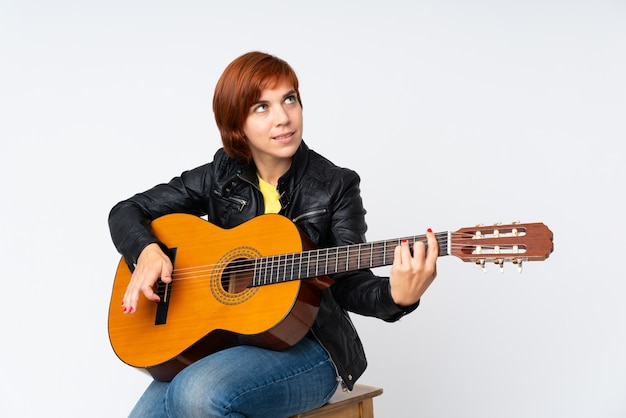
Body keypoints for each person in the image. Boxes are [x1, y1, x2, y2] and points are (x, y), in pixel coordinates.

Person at [108, 51, 438, 418]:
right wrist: (148, 252)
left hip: (312, 348)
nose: (283, 117)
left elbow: (347, 283)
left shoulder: (335, 184)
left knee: (195, 393)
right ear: (238, 125)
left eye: (289, 99)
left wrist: (397, 296)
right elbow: (126, 211)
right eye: (261, 107)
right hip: (226, 342)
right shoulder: (220, 174)